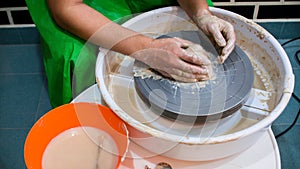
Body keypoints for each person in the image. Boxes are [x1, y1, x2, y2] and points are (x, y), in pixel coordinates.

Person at [26, 0, 235, 108]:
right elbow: (67, 9)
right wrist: (148, 49)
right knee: (80, 56)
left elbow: (197, 10)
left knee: (196, 26)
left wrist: (201, 13)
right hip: (80, 4)